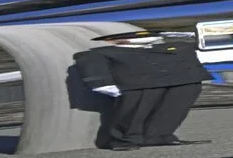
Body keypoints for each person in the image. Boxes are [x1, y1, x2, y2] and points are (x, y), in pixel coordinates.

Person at [74, 33, 213, 151]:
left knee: (173, 110)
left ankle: (159, 135)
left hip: (181, 81)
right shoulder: (104, 52)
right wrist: (102, 83)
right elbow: (89, 63)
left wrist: (196, 76)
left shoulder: (176, 46)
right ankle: (124, 140)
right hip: (137, 84)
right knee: (133, 111)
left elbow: (193, 55)